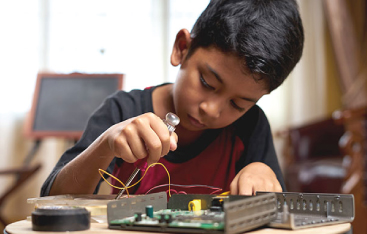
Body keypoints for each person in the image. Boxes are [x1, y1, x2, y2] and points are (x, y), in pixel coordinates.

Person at [41, 0, 304, 197]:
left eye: (238, 104)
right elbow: (53, 201)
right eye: (207, 82)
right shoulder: (122, 111)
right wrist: (105, 145)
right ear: (182, 48)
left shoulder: (250, 127)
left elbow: (272, 216)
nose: (211, 110)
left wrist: (265, 178)